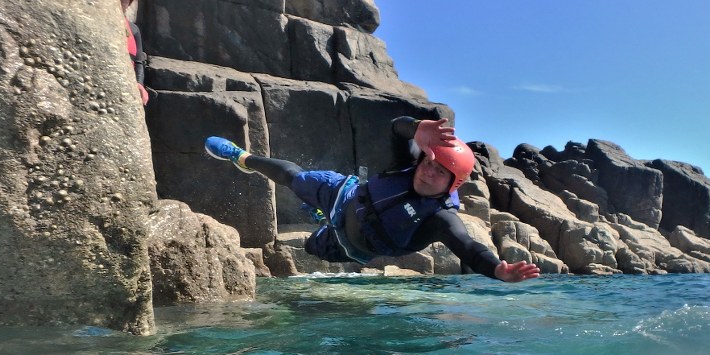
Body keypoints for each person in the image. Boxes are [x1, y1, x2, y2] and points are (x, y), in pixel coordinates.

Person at [204, 117, 541, 283]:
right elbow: (396, 128)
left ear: (453, 183)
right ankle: (242, 157)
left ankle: (320, 219)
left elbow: (468, 247)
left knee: (309, 248)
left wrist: (496, 269)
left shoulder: (440, 218)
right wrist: (417, 126)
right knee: (295, 177)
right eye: (428, 162)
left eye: (439, 173)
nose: (427, 172)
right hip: (346, 194)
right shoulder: (408, 165)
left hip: (353, 245)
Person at [106, 0, 149, 105]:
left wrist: (139, 84)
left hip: (126, 84)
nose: (122, 2)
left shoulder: (134, 30)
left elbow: (138, 62)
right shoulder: (100, 22)